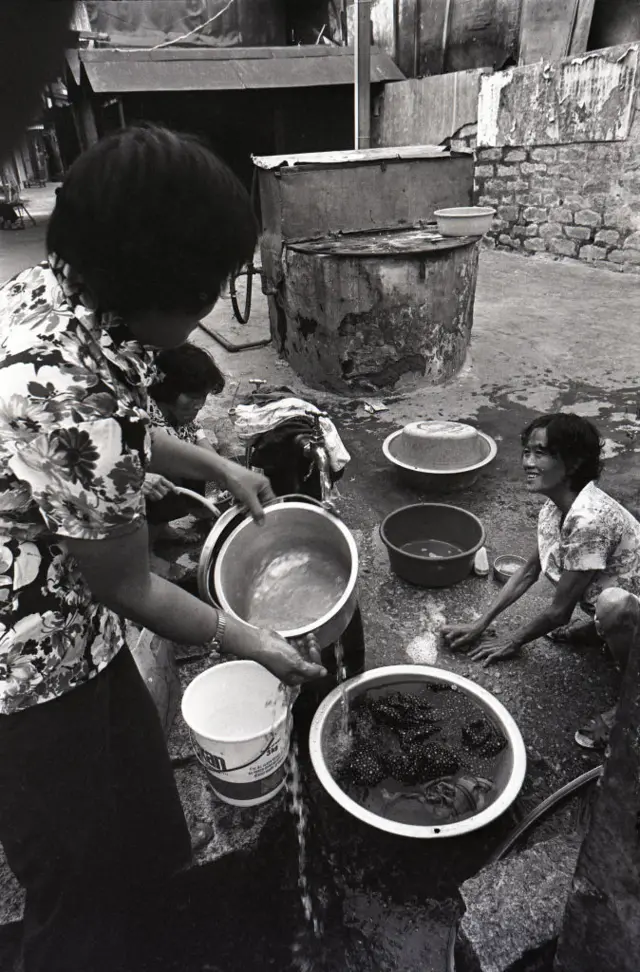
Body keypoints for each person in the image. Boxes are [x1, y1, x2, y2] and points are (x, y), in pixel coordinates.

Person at [0, 125, 326, 972]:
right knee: (76, 883)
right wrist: (248, 638)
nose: (214, 303)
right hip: (22, 664)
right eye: (210, 286)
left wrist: (217, 461)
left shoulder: (68, 293)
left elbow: (124, 428)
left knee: (145, 826)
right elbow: (127, 583)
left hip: (78, 632)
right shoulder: (59, 381)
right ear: (152, 281)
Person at [442, 412, 640, 750]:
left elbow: (559, 611)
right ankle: (599, 630)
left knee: (612, 606)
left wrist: (513, 641)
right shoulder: (556, 505)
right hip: (609, 595)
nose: (527, 462)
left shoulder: (590, 521)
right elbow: (528, 571)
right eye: (527, 451)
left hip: (629, 606)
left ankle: (630, 708)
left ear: (574, 462)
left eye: (541, 453)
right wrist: (481, 624)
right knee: (605, 605)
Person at [144, 343, 227, 523]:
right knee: (174, 482)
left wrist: (224, 472)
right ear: (168, 391)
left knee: (210, 463)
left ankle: (163, 527)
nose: (199, 405)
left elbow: (197, 434)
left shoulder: (178, 413)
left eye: (203, 396)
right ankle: (151, 538)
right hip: (134, 481)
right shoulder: (144, 416)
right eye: (193, 397)